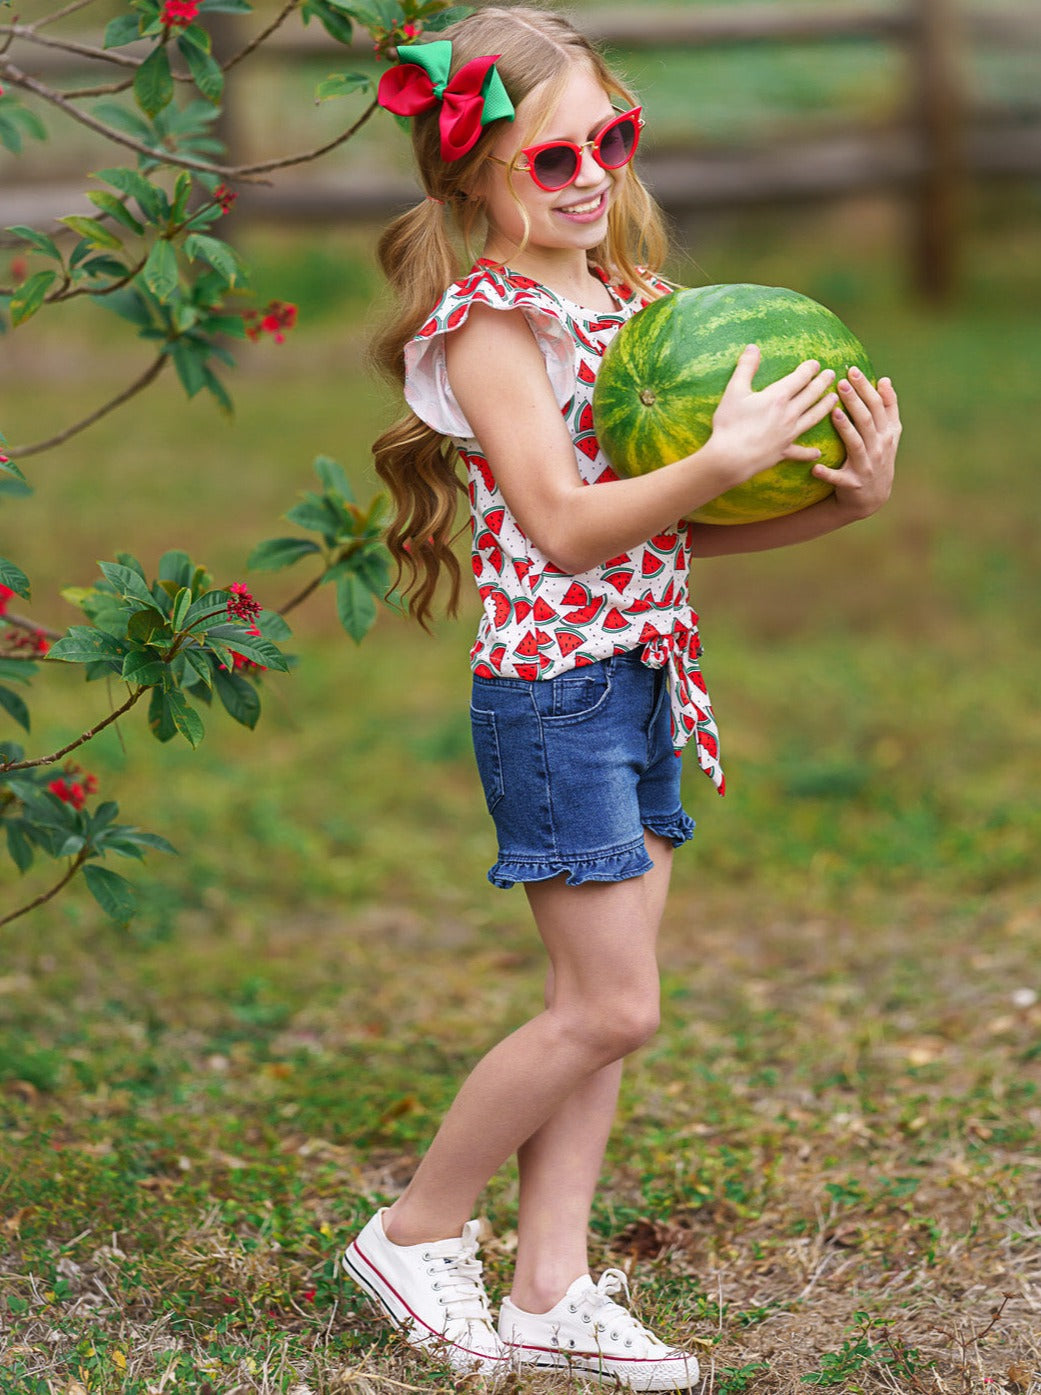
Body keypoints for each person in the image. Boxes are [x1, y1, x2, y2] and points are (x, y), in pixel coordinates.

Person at [342, 6, 901, 1390]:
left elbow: (666, 534)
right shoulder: (487, 328)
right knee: (610, 1010)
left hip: (639, 677)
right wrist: (717, 461)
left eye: (612, 138)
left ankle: (548, 1290)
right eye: (551, 158)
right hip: (551, 696)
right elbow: (565, 523)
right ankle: (413, 1234)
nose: (590, 173)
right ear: (471, 174)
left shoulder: (634, 308)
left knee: (598, 1004)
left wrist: (838, 506)